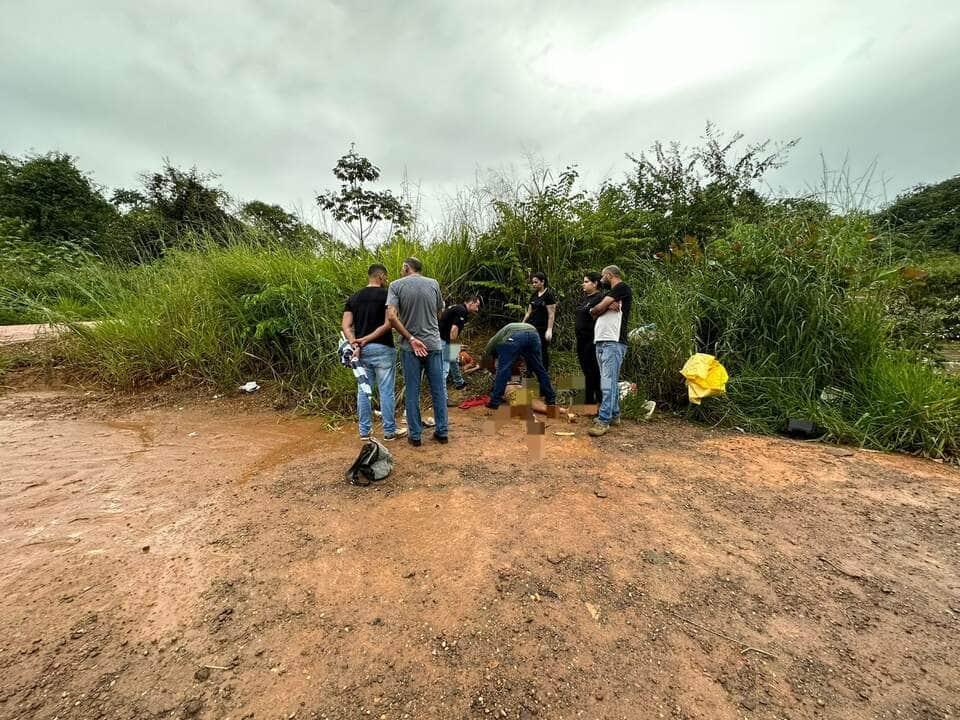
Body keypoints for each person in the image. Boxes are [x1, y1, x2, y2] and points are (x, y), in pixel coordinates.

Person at [386, 257, 449, 446]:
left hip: (410, 347)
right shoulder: (433, 283)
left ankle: (415, 437)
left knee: (413, 391)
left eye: (401, 268)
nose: (400, 270)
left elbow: (391, 317)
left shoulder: (396, 286)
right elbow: (440, 311)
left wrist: (412, 338)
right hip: (433, 344)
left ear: (406, 268)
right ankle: (442, 432)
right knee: (438, 389)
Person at [342, 264, 406, 441]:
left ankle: (364, 432)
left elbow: (346, 326)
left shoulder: (354, 297)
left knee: (364, 390)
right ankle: (389, 431)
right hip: (383, 348)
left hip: (361, 352)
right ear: (381, 276)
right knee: (386, 391)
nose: (386, 280)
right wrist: (367, 339)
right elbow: (389, 324)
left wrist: (355, 343)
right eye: (385, 277)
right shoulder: (387, 295)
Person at [588, 265, 633, 437]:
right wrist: (604, 305)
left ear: (609, 274)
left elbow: (597, 310)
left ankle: (604, 420)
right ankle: (614, 415)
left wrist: (602, 307)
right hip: (602, 340)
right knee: (609, 380)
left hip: (613, 341)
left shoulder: (622, 287)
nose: (600, 280)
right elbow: (592, 311)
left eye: (602, 276)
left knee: (607, 382)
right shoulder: (610, 294)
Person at [480, 322, 557, 410]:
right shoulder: (501, 339)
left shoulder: (490, 346)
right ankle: (551, 398)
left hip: (515, 335)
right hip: (533, 333)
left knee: (503, 369)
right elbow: (517, 361)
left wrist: (495, 373)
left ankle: (495, 401)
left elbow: (488, 364)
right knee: (539, 368)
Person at [575, 272, 604, 409]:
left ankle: (599, 401)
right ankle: (588, 401)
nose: (584, 284)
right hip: (581, 339)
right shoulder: (585, 298)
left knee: (594, 370)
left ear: (595, 283)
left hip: (591, 339)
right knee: (586, 370)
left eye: (586, 281)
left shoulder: (600, 298)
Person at [439, 295, 481, 391]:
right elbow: (454, 329)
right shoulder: (461, 310)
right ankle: (443, 398)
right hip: (443, 340)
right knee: (444, 369)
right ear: (471, 303)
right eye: (477, 305)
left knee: (453, 361)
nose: (477, 309)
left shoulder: (458, 308)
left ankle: (459, 383)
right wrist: (454, 345)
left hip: (445, 339)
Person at [521, 272, 556, 371]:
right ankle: (529, 371)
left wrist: (549, 329)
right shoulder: (534, 295)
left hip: (542, 327)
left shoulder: (548, 295)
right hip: (531, 326)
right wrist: (522, 324)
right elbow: (529, 312)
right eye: (533, 283)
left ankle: (544, 371)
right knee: (528, 348)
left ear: (542, 282)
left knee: (542, 350)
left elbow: (551, 314)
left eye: (536, 282)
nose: (534, 285)